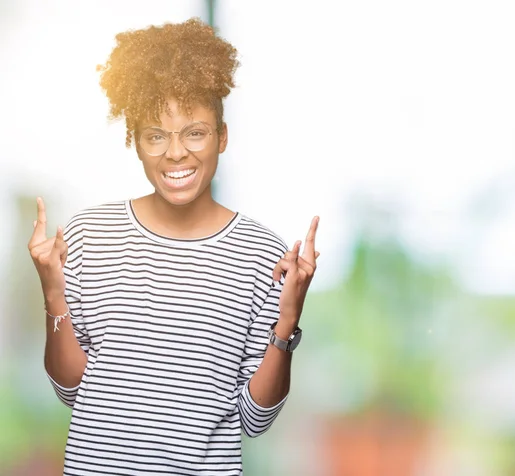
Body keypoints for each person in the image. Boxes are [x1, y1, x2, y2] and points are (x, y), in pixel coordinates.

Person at [28, 18, 319, 476]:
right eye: (155, 136)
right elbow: (71, 390)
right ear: (136, 143)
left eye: (195, 133)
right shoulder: (88, 235)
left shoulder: (263, 255)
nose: (176, 153)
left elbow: (255, 419)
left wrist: (287, 323)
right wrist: (53, 295)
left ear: (221, 137)